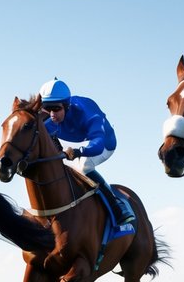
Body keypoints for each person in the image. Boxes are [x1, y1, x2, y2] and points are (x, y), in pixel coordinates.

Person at [38, 77, 135, 224]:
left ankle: (118, 207)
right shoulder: (51, 118)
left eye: (56, 109)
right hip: (75, 140)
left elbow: (98, 143)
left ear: (67, 105)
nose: (52, 115)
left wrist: (78, 152)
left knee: (84, 167)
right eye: (48, 108)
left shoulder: (86, 112)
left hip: (103, 142)